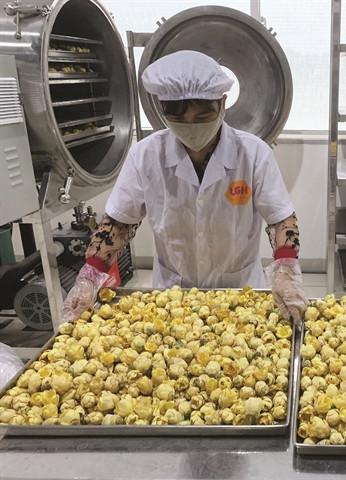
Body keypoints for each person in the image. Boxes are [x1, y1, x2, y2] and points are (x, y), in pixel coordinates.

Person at [61, 50, 308, 324]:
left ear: (223, 104)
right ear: (163, 111)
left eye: (202, 117)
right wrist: (90, 277)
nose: (191, 128)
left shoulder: (253, 153)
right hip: (173, 296)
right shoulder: (145, 156)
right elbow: (118, 224)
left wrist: (285, 272)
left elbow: (280, 219)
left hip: (239, 291)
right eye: (179, 119)